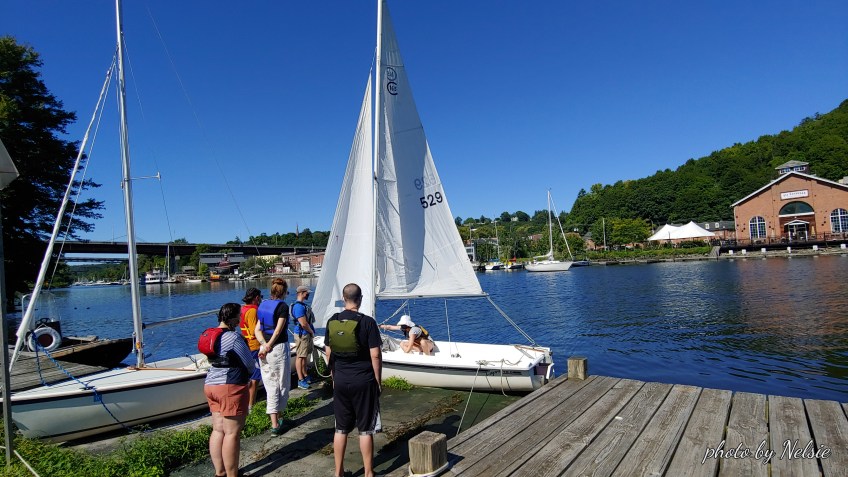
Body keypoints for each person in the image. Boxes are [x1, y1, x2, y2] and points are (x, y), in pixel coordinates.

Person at [325, 283, 382, 477]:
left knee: (340, 428)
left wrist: (334, 377)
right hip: (363, 380)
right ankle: (368, 472)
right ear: (360, 299)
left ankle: (338, 472)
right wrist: (378, 380)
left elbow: (328, 352)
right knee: (365, 430)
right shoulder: (368, 322)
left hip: (341, 380)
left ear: (344, 299)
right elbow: (375, 355)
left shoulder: (333, 321)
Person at [203, 303, 255, 477]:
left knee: (218, 429)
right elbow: (249, 363)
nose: (240, 319)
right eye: (239, 316)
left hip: (211, 384)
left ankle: (220, 472)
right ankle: (233, 474)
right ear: (233, 319)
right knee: (232, 433)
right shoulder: (233, 337)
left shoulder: (211, 334)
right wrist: (249, 377)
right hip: (229, 387)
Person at [254, 277, 291, 436]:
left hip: (264, 350)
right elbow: (278, 331)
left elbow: (257, 330)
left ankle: (274, 421)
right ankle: (278, 422)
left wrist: (264, 345)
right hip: (278, 349)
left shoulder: (263, 305)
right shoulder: (283, 307)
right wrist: (270, 345)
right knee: (282, 384)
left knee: (270, 384)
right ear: (284, 292)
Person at [239, 287, 263, 410]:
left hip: (247, 344)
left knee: (252, 375)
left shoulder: (243, 309)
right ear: (256, 298)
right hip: (255, 346)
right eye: (260, 297)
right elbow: (255, 331)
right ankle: (251, 405)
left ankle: (249, 403)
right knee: (256, 376)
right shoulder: (253, 311)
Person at [291, 285, 316, 390]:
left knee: (304, 356)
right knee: (300, 356)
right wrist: (311, 332)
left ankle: (305, 375)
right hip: (302, 334)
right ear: (301, 293)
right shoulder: (298, 307)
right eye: (307, 293)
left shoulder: (302, 305)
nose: (308, 294)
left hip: (306, 334)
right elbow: (303, 323)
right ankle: (300, 379)